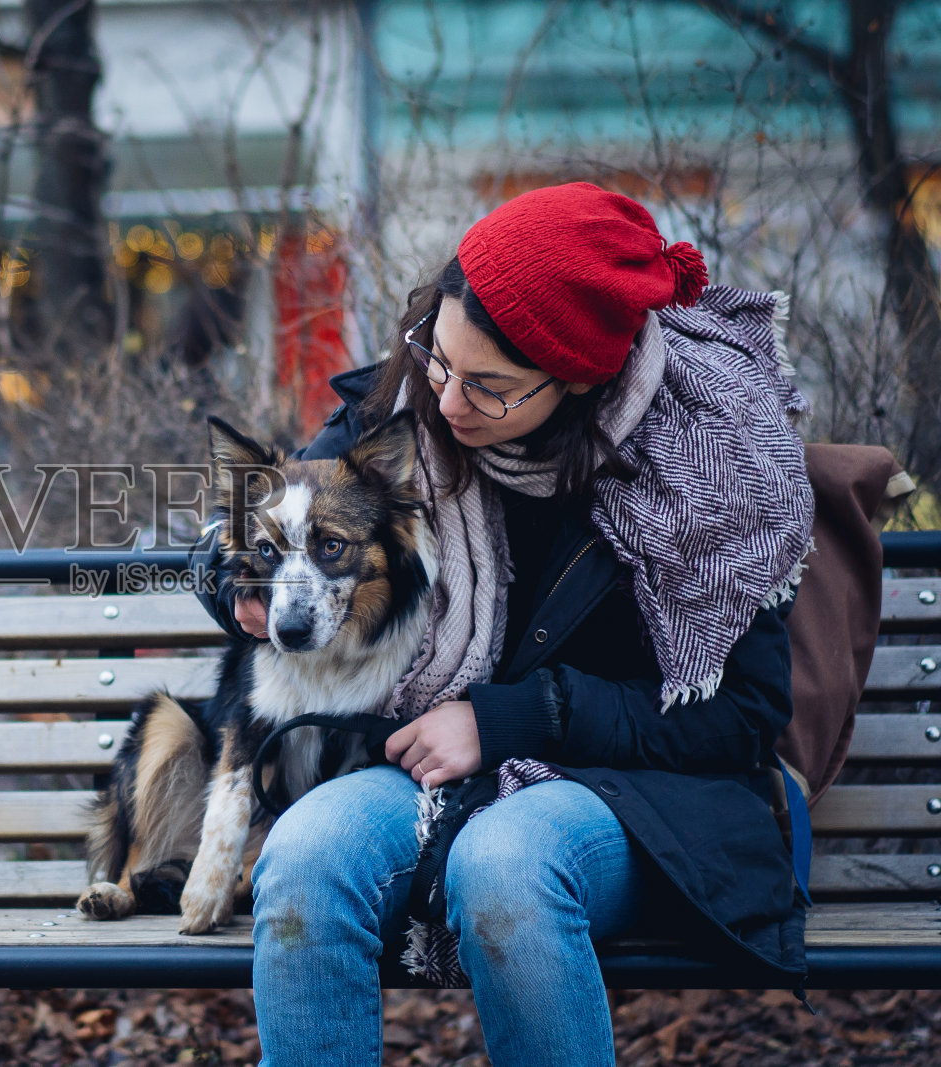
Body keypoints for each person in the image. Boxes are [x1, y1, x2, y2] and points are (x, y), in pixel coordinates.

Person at [192, 182, 814, 1066]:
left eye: (490, 388)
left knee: (504, 864)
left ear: (580, 381)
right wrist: (235, 582)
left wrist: (513, 718)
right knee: (302, 856)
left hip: (642, 789)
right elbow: (257, 520)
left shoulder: (713, 472)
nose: (447, 404)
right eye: (440, 359)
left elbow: (742, 718)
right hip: (433, 772)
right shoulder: (406, 406)